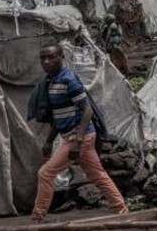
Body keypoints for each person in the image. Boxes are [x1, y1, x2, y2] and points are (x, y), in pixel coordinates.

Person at [31, 45, 128, 222]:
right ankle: (121, 208)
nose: (46, 61)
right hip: (74, 136)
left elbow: (87, 110)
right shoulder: (52, 81)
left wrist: (78, 140)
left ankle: (38, 217)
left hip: (78, 137)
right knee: (97, 174)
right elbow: (57, 116)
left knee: (45, 174)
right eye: (43, 58)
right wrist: (49, 141)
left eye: (51, 57)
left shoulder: (68, 80)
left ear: (62, 57)